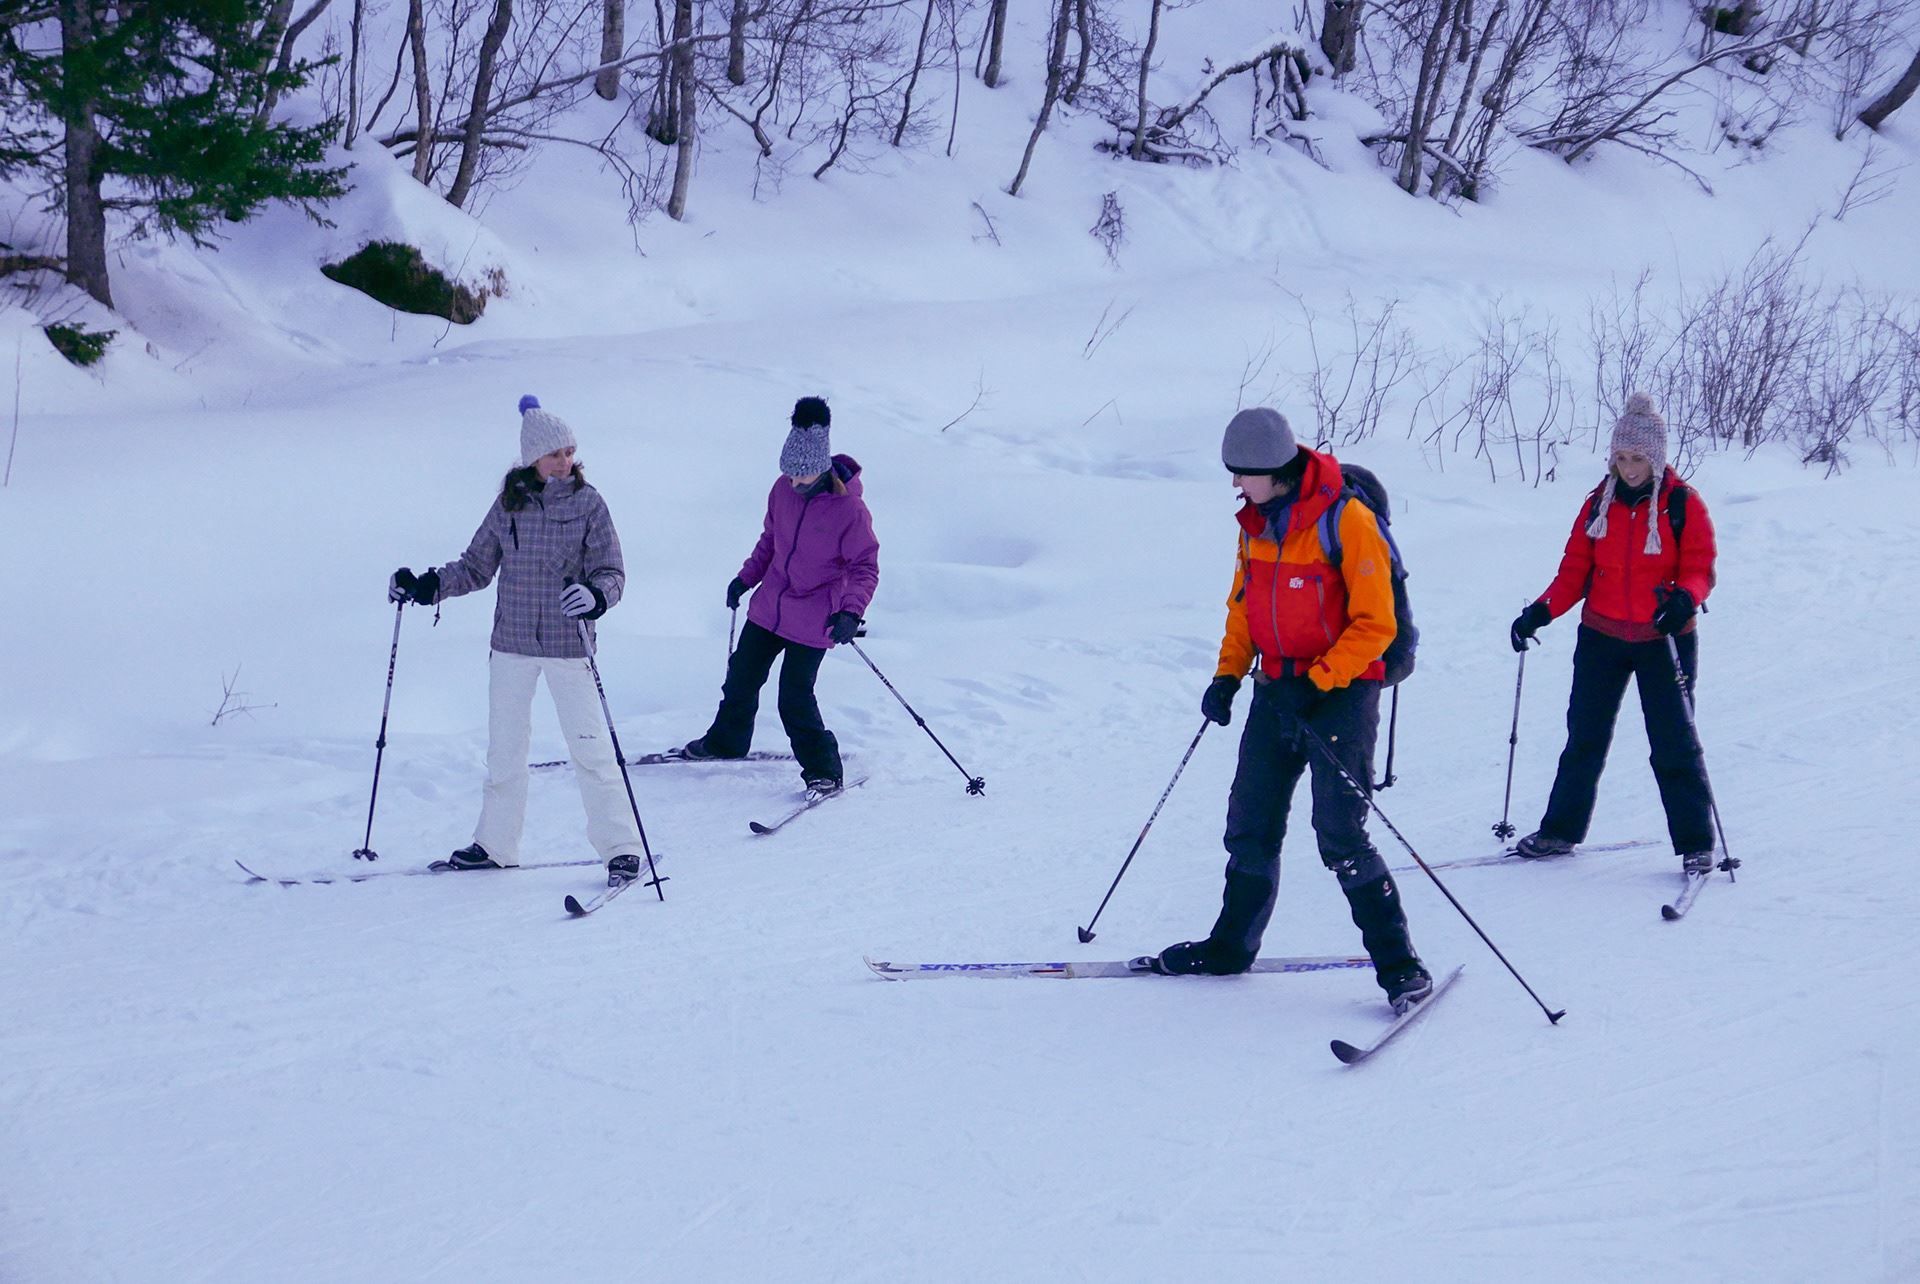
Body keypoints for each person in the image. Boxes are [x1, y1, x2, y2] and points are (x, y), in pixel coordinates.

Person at [1146, 407, 1432, 1015]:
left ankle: (1402, 969)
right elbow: (1243, 607)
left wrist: (1322, 680)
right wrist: (1227, 675)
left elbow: (1376, 624)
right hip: (1275, 690)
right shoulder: (1255, 524)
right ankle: (1230, 947)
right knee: (1249, 822)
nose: (1234, 485)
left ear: (1274, 471)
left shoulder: (1346, 522)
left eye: (1241, 474)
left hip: (1342, 695)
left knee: (1340, 834)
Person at [388, 395, 648, 882]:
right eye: (555, 454)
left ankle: (620, 847)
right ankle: (495, 844)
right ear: (533, 459)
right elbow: (475, 566)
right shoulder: (510, 505)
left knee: (590, 748)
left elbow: (611, 569)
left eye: (570, 451)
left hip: (569, 646)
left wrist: (596, 596)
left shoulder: (589, 503)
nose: (565, 461)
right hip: (511, 645)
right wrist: (425, 587)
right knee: (504, 751)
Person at [1507, 392, 1720, 875]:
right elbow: (1574, 572)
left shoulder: (1683, 505)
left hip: (1664, 638)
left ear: (1657, 458)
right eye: (1621, 457)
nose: (1628, 468)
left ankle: (1696, 843)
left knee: (1673, 743)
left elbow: (1700, 567)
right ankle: (1560, 831)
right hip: (1601, 636)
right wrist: (1540, 612)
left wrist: (1684, 598)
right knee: (1584, 737)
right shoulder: (1596, 506)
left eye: (1638, 458)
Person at [682, 396, 879, 796]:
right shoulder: (782, 491)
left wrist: (850, 612)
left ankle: (824, 769)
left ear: (821, 472)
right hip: (771, 605)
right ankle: (727, 741)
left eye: (801, 479)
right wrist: (746, 578)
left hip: (816, 616)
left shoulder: (850, 512)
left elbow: (865, 567)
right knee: (741, 676)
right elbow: (771, 540)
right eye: (788, 476)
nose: (793, 484)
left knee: (794, 697)